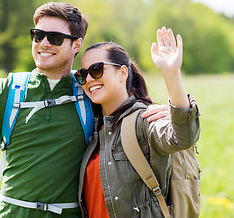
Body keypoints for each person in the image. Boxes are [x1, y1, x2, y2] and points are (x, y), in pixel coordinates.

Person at [0, 0, 168, 217]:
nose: (43, 43)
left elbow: (130, 113)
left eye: (55, 38)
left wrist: (174, 109)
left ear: (76, 45)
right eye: (37, 35)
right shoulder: (6, 91)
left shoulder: (90, 94)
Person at [74, 27, 200, 217]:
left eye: (96, 69)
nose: (89, 79)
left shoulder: (143, 120)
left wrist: (171, 74)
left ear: (122, 73)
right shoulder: (93, 128)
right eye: (82, 74)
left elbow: (183, 137)